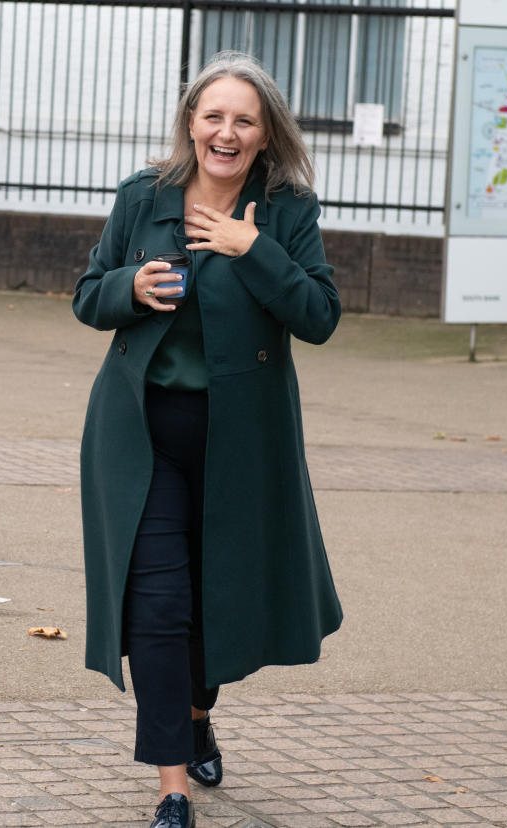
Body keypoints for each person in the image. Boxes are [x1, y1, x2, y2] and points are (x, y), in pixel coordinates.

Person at [73, 51, 342, 828]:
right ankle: (170, 788)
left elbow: (318, 318)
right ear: (191, 122)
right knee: (157, 604)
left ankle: (195, 717)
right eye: (213, 116)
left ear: (265, 136)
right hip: (141, 432)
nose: (226, 132)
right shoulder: (142, 197)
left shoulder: (287, 209)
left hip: (241, 441)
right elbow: (89, 295)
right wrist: (132, 288)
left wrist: (247, 247)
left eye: (244, 120)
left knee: (211, 599)